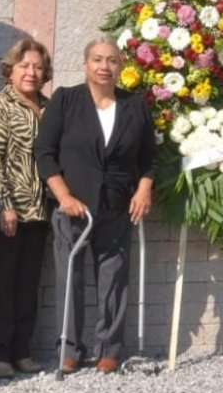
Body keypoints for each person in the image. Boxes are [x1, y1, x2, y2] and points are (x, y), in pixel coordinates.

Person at [34, 37, 155, 374]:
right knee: (70, 277)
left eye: (112, 60)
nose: (105, 66)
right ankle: (69, 348)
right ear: (86, 64)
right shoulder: (65, 100)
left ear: (121, 65)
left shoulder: (135, 105)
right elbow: (44, 154)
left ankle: (109, 350)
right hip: (72, 205)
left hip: (117, 206)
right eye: (98, 60)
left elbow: (148, 158)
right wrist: (64, 196)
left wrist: (144, 188)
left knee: (114, 278)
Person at [0, 39, 54, 379]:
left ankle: (22, 351)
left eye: (38, 67)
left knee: (27, 285)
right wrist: (4, 204)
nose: (32, 72)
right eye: (24, 66)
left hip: (39, 212)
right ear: (10, 70)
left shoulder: (49, 107)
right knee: (0, 286)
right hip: (5, 213)